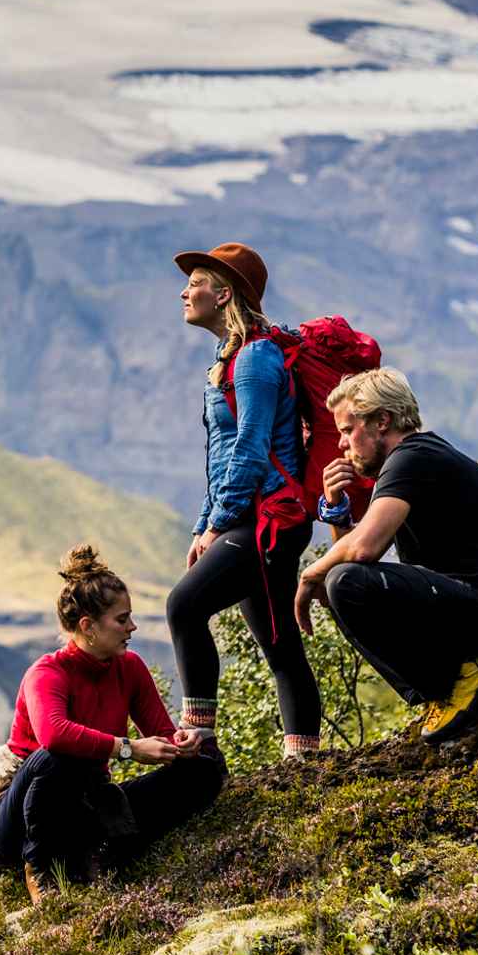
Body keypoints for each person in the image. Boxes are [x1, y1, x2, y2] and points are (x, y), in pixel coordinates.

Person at [292, 368, 478, 743]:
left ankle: (460, 682)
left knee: (342, 581)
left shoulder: (412, 458)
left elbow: (362, 550)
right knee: (341, 581)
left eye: (347, 430)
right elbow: (356, 555)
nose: (341, 444)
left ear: (381, 421)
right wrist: (337, 511)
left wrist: (310, 574)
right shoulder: (413, 460)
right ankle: (443, 691)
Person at [0, 545, 223, 903]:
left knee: (204, 768)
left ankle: (99, 851)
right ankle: (40, 867)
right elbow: (54, 735)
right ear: (88, 626)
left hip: (84, 803)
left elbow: (161, 733)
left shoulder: (130, 667)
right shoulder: (46, 673)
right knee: (56, 758)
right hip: (17, 822)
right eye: (122, 620)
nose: (132, 627)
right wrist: (128, 749)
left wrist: (182, 744)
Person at [164, 242, 322, 757]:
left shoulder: (254, 359)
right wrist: (203, 523)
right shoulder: (231, 356)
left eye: (195, 283)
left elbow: (251, 450)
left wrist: (217, 525)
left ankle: (200, 743)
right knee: (278, 642)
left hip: (268, 518)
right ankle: (303, 756)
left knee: (184, 606)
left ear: (224, 294)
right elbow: (221, 456)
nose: (184, 292)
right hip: (255, 516)